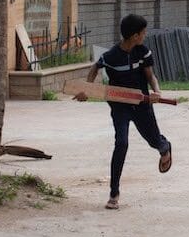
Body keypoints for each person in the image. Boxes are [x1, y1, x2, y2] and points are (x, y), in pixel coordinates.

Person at [74, 14, 172, 209]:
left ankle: (164, 147)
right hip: (119, 105)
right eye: (143, 32)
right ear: (135, 35)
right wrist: (88, 89)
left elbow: (150, 76)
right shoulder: (110, 56)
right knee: (121, 143)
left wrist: (157, 92)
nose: (145, 35)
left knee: (153, 140)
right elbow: (95, 68)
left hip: (142, 104)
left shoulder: (143, 52)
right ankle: (114, 193)